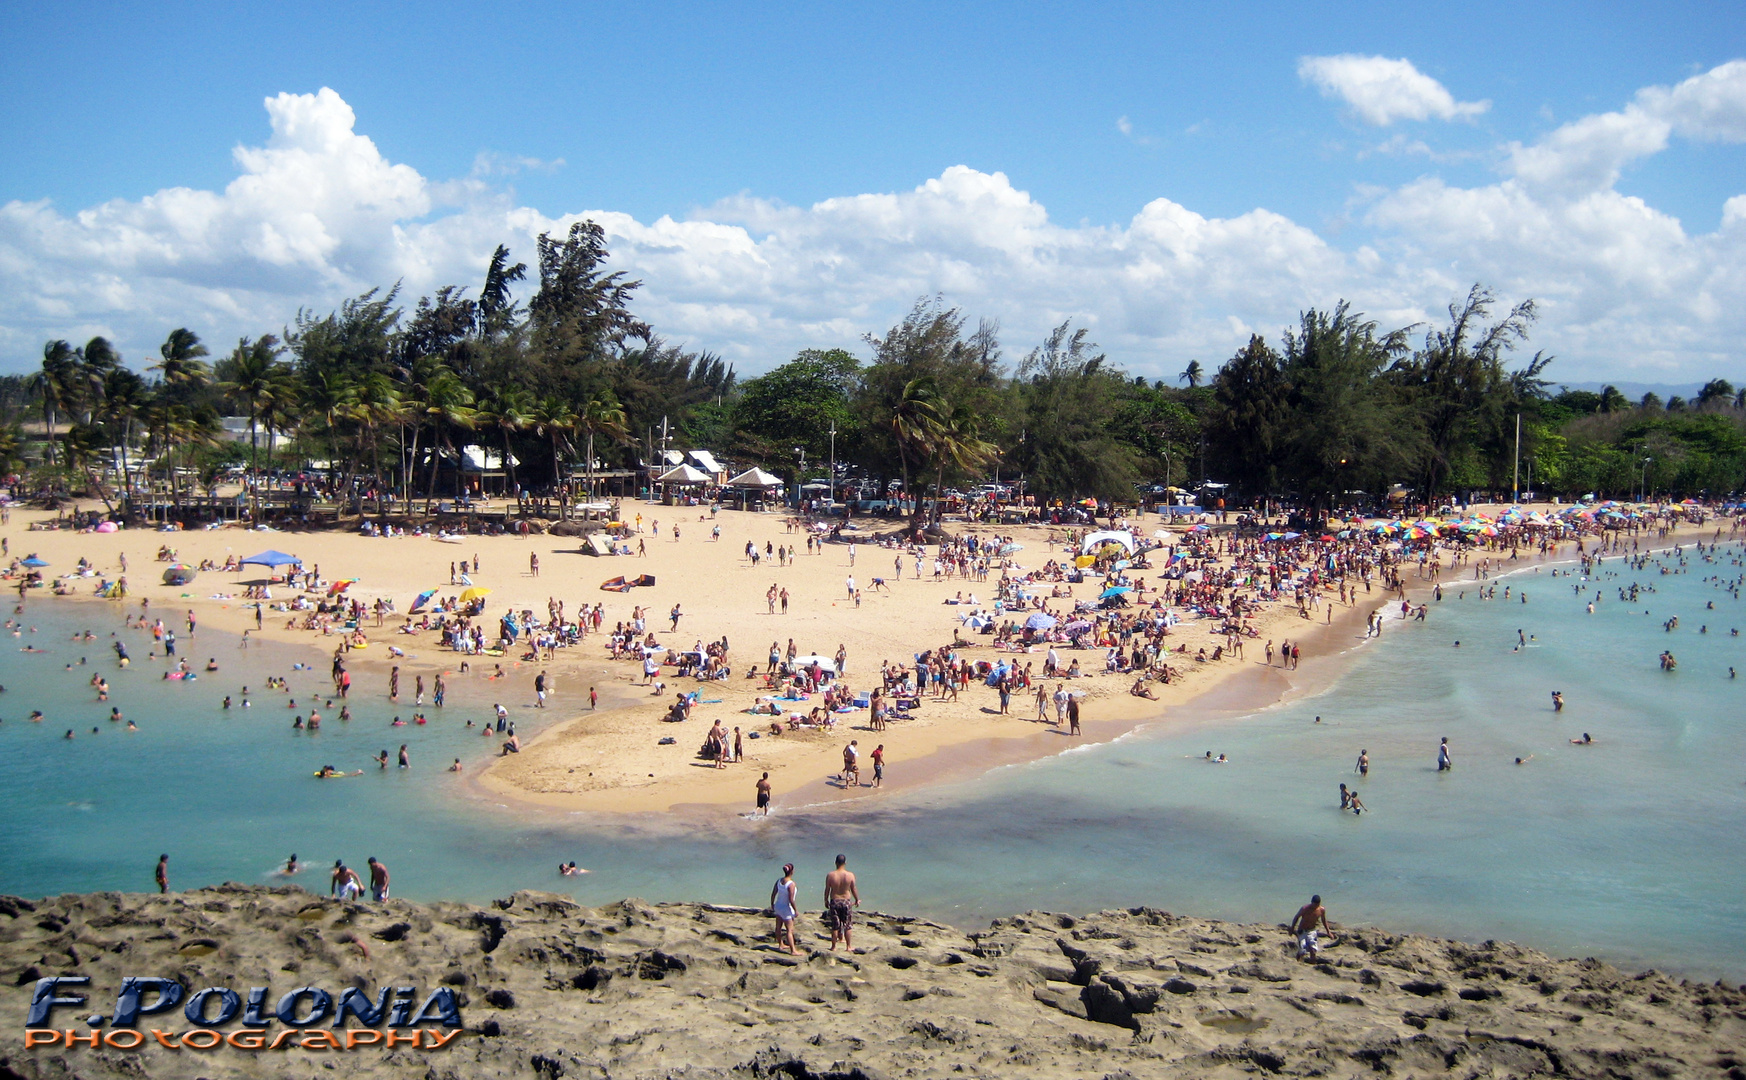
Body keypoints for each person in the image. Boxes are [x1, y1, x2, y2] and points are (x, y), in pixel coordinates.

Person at [824, 854, 859, 951]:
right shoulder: (850, 875)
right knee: (847, 925)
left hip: (835, 901)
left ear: (835, 863)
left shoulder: (830, 875)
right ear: (845, 863)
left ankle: (833, 947)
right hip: (846, 901)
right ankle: (848, 947)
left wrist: (826, 900)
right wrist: (856, 899)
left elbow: (827, 889)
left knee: (835, 926)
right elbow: (853, 889)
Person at [1289, 894, 1332, 961]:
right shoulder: (1304, 908)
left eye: (1317, 905)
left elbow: (1324, 920)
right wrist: (1292, 928)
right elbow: (1296, 917)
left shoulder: (1321, 910)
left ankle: (1313, 963)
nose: (1315, 907)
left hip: (1312, 930)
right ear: (1311, 902)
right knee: (1302, 949)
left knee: (1313, 949)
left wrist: (1328, 932)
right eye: (1314, 905)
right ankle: (1298, 961)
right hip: (1302, 930)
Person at [770, 862, 799, 955]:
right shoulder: (791, 884)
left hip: (778, 906)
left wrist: (772, 904)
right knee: (789, 930)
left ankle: (780, 944)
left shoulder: (779, 881)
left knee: (778, 927)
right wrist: (796, 910)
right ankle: (793, 950)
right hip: (786, 908)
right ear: (792, 871)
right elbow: (791, 899)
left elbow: (773, 893)